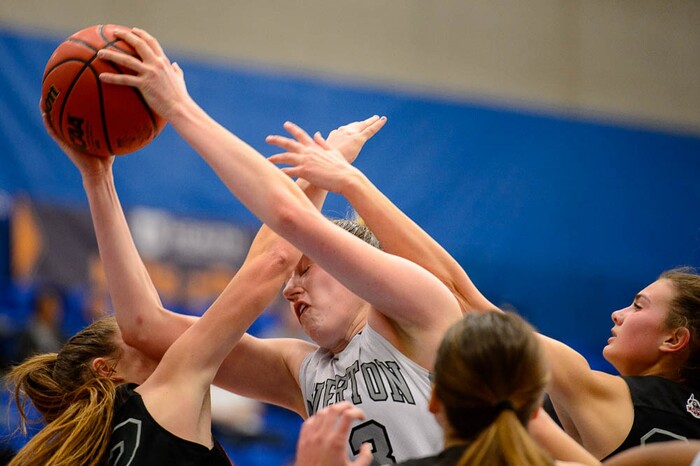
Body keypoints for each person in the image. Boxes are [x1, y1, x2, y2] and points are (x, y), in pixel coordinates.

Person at [94, 27, 477, 464]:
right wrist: (99, 175)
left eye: (307, 269)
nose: (289, 289)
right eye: (293, 276)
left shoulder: (418, 311)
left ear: (355, 265)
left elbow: (287, 229)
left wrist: (178, 107)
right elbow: (146, 326)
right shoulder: (301, 371)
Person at [4, 122, 306, 465]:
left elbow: (147, 317)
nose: (156, 334)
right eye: (136, 338)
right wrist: (318, 174)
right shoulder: (160, 407)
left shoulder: (104, 448)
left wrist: (98, 177)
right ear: (106, 369)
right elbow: (274, 260)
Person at [295, 313, 700, 466]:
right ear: (531, 403)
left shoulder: (593, 386)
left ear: (435, 399)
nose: (618, 312)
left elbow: (464, 295)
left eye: (640, 305)